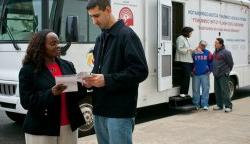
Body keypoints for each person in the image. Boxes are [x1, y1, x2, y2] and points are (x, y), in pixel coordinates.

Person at [84, 0, 148, 144]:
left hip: (119, 112)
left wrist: (107, 80)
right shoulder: (100, 39)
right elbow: (99, 70)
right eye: (91, 17)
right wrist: (90, 80)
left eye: (97, 16)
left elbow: (141, 71)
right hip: (99, 109)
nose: (94, 21)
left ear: (108, 9)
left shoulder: (127, 35)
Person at [19, 29, 87, 144]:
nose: (58, 46)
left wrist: (83, 84)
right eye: (53, 43)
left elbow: (76, 96)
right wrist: (50, 93)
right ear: (40, 47)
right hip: (42, 129)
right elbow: (26, 102)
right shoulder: (28, 70)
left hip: (69, 126)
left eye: (58, 42)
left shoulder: (67, 65)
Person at [212, 38, 234, 113]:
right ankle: (219, 105)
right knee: (217, 90)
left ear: (221, 44)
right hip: (216, 74)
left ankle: (228, 106)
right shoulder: (215, 52)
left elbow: (230, 63)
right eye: (215, 43)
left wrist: (227, 71)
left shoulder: (226, 52)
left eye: (216, 43)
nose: (215, 44)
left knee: (225, 91)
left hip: (223, 74)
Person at [192, 40, 213, 110]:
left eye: (204, 45)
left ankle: (205, 104)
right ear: (199, 44)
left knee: (205, 89)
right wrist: (192, 71)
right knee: (195, 90)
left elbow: (211, 62)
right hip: (196, 74)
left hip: (205, 74)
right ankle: (196, 104)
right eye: (201, 45)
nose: (202, 46)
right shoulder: (194, 52)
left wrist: (210, 70)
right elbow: (191, 62)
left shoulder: (208, 53)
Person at [175, 27, 194, 97]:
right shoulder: (180, 38)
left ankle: (185, 92)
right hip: (183, 60)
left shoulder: (185, 39)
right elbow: (179, 49)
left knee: (187, 77)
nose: (191, 34)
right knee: (185, 77)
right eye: (190, 32)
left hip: (187, 60)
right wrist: (189, 50)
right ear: (187, 32)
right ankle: (182, 93)